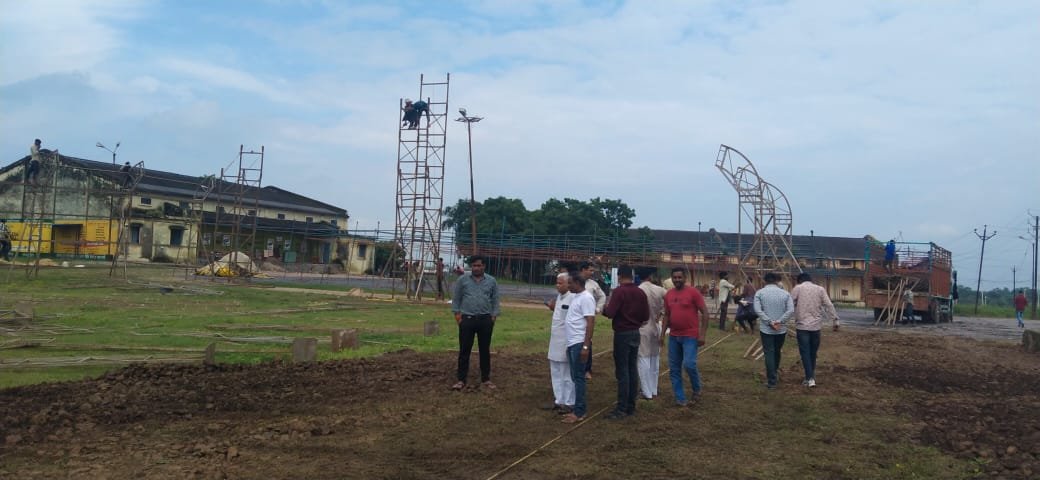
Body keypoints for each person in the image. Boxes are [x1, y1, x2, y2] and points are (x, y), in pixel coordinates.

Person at [602, 266, 649, 419]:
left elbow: (610, 313)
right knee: (632, 369)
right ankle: (631, 405)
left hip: (622, 333)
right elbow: (646, 316)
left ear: (620, 276)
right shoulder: (640, 292)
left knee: (622, 371)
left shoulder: (619, 291)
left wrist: (603, 308)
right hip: (636, 333)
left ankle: (621, 408)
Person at [451, 255, 500, 390]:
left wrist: (493, 317)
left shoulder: (491, 281)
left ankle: (486, 379)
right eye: (474, 266)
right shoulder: (463, 280)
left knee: (485, 350)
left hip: (485, 320)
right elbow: (456, 299)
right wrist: (458, 316)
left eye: (479, 265)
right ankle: (461, 380)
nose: (476, 268)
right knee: (464, 350)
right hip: (467, 319)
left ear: (484, 266)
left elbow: (495, 300)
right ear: (471, 266)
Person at [662, 266, 708, 406]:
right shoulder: (669, 294)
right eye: (675, 277)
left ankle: (697, 389)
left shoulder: (693, 292)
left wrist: (702, 335)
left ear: (685, 278)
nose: (677, 280)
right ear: (672, 278)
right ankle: (680, 398)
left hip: (690, 336)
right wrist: (662, 334)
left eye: (679, 277)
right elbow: (667, 315)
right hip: (674, 336)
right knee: (674, 368)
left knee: (689, 364)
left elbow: (705, 313)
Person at [790, 273, 840, 388]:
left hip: (802, 326)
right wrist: (835, 320)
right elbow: (829, 305)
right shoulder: (820, 289)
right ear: (810, 280)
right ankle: (810, 376)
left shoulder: (797, 288)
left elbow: (789, 304)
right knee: (813, 352)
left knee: (805, 352)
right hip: (816, 327)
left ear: (800, 281)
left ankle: (810, 378)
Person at [562, 271, 596, 424]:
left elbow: (590, 322)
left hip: (578, 343)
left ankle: (580, 411)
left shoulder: (587, 298)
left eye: (570, 283)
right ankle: (577, 408)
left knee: (579, 378)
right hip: (572, 343)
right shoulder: (577, 297)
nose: (568, 286)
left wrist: (585, 346)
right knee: (576, 377)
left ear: (577, 283)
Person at [754, 272, 794, 390]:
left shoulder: (760, 293)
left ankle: (772, 381)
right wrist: (780, 321)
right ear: (777, 281)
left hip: (766, 329)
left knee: (769, 353)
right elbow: (790, 310)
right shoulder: (785, 294)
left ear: (765, 280)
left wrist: (770, 322)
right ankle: (774, 374)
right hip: (781, 329)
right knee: (777, 351)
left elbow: (758, 310)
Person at [542, 272, 574, 414]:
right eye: (557, 282)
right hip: (555, 340)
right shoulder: (559, 297)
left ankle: (569, 402)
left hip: (566, 340)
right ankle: (559, 400)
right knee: (555, 371)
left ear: (569, 284)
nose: (557, 285)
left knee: (566, 373)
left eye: (561, 283)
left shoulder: (572, 298)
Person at [637, 271, 667, 400]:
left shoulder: (638, 290)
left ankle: (646, 391)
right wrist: (661, 314)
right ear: (650, 276)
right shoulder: (661, 290)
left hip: (642, 327)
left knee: (643, 358)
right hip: (656, 326)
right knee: (655, 358)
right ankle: (653, 389)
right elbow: (668, 306)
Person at [579, 261, 606, 380]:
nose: (592, 272)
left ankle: (587, 369)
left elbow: (602, 296)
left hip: (587, 317)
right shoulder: (573, 282)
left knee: (587, 341)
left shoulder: (593, 284)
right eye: (590, 270)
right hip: (575, 317)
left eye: (592, 270)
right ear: (583, 270)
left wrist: (598, 308)